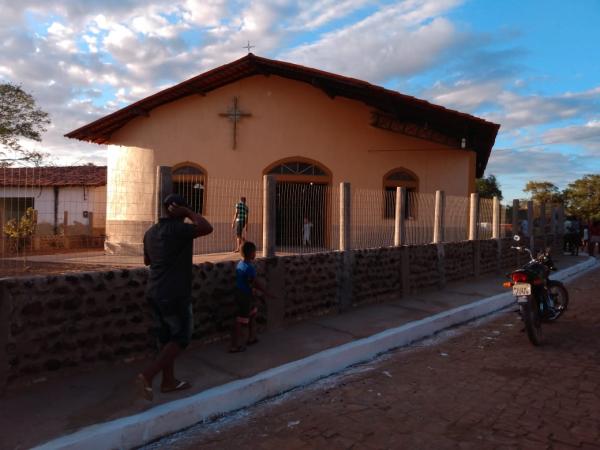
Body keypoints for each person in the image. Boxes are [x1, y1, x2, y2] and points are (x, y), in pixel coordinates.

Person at [137, 193, 213, 401]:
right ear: (178, 210)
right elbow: (207, 228)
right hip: (175, 292)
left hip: (154, 291)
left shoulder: (150, 232)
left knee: (166, 339)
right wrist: (188, 213)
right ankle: (148, 375)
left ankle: (169, 382)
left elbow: (146, 261)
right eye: (184, 208)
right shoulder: (179, 229)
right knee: (182, 336)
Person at [230, 241, 266, 353]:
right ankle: (236, 345)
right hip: (244, 296)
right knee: (241, 321)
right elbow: (256, 283)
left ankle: (252, 338)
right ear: (251, 253)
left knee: (252, 315)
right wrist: (267, 292)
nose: (255, 254)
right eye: (254, 252)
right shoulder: (249, 268)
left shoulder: (241, 264)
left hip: (245, 295)